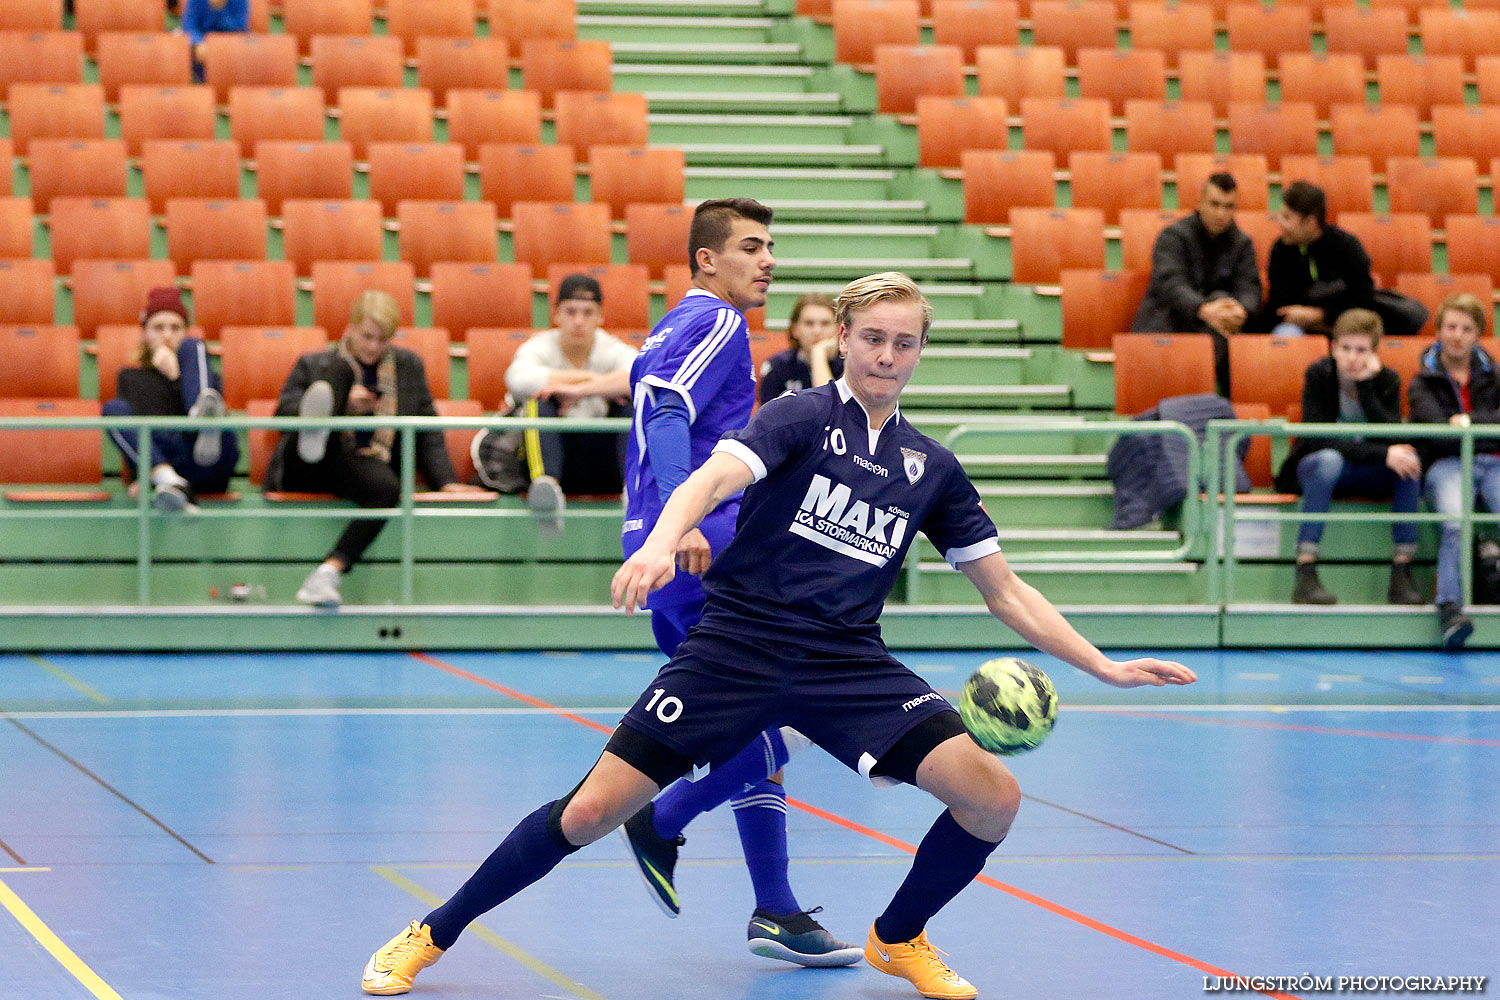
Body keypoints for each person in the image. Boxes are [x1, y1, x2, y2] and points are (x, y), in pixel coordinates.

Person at [361, 272, 1197, 999]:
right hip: (737, 645)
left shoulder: (931, 468)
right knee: (589, 813)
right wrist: (659, 540)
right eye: (872, 338)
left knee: (992, 797)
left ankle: (898, 936)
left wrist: (1103, 666)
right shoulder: (800, 417)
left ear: (918, 354)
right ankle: (433, 932)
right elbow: (714, 476)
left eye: (904, 344)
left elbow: (1005, 590)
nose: (886, 356)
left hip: (846, 663)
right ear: (843, 339)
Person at [615, 198, 858, 967]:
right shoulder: (717, 323)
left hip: (692, 560)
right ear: (706, 260)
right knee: (791, 712)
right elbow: (663, 410)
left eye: (771, 247)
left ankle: (777, 910)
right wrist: (678, 520)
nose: (768, 261)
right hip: (700, 556)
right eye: (752, 247)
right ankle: (663, 817)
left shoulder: (680, 325)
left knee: (761, 731)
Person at [266, 290, 479, 608]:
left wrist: (445, 481)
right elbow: (283, 414)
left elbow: (426, 427)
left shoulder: (407, 366)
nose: (373, 346)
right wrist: (344, 404)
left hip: (362, 464)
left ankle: (328, 571)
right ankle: (320, 423)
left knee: (388, 489)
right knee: (336, 375)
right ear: (350, 328)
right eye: (367, 336)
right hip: (306, 464)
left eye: (383, 340)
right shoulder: (316, 363)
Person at [1273, 309, 1422, 606]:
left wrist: (1367, 386)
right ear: (1333, 348)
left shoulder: (1387, 380)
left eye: (1362, 350)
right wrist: (1382, 454)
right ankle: (1305, 568)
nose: (1353, 357)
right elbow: (1319, 437)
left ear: (1374, 352)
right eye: (1346, 348)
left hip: (1366, 471)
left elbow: (1391, 437)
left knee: (1409, 461)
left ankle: (1403, 569)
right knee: (1329, 459)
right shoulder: (1319, 374)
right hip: (1319, 468)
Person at [504, 273, 637, 525]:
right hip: (557, 454)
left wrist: (575, 390)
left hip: (603, 457)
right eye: (571, 311)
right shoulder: (539, 347)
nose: (578, 321)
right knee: (538, 402)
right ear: (556, 315)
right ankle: (546, 487)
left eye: (588, 313)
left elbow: (638, 379)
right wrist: (591, 379)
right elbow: (517, 379)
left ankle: (632, 489)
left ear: (600, 316)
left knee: (630, 405)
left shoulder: (612, 349)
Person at [1408, 292, 1499, 649]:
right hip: (1446, 464)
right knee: (1454, 522)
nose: (1457, 335)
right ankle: (1449, 609)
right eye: (1450, 327)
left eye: (1466, 328)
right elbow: (1434, 429)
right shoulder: (1422, 380)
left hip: (1493, 462)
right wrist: (1480, 431)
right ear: (1439, 331)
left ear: (1478, 334)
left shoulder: (1494, 375)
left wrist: (1467, 422)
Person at [102, 286, 238, 513]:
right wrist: (147, 472)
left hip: (207, 460)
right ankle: (168, 480)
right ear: (145, 334)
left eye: (176, 328)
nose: (167, 335)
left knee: (194, 346)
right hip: (165, 463)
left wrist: (177, 376)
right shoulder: (131, 377)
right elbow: (140, 434)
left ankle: (201, 415)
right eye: (158, 327)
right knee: (113, 409)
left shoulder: (204, 371)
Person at [1130, 173, 1261, 397]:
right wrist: (1203, 310)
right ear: (1199, 202)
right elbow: (1170, 284)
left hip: (1217, 330)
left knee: (1225, 315)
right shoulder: (1173, 237)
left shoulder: (1242, 243)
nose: (1221, 213)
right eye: (1215, 204)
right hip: (1170, 323)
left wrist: (1241, 310)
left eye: (1229, 207)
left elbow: (1250, 288)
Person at [1251, 180, 1375, 337]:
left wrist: (1321, 315)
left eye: (1287, 218)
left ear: (1311, 222)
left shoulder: (1347, 247)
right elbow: (1279, 301)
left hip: (1343, 325)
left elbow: (1363, 299)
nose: (1280, 223)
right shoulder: (1280, 249)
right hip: (1294, 325)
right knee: (1287, 335)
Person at [758, 292, 842, 402]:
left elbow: (832, 411)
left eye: (825, 323)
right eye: (809, 323)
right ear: (795, 329)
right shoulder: (778, 366)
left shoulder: (850, 365)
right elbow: (767, 416)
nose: (817, 331)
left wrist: (818, 354)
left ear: (839, 329)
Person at [179, 0, 249, 82]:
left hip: (231, 45)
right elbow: (189, 26)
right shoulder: (194, 2)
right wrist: (198, 42)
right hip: (204, 45)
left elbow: (239, 28)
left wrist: (219, 10)